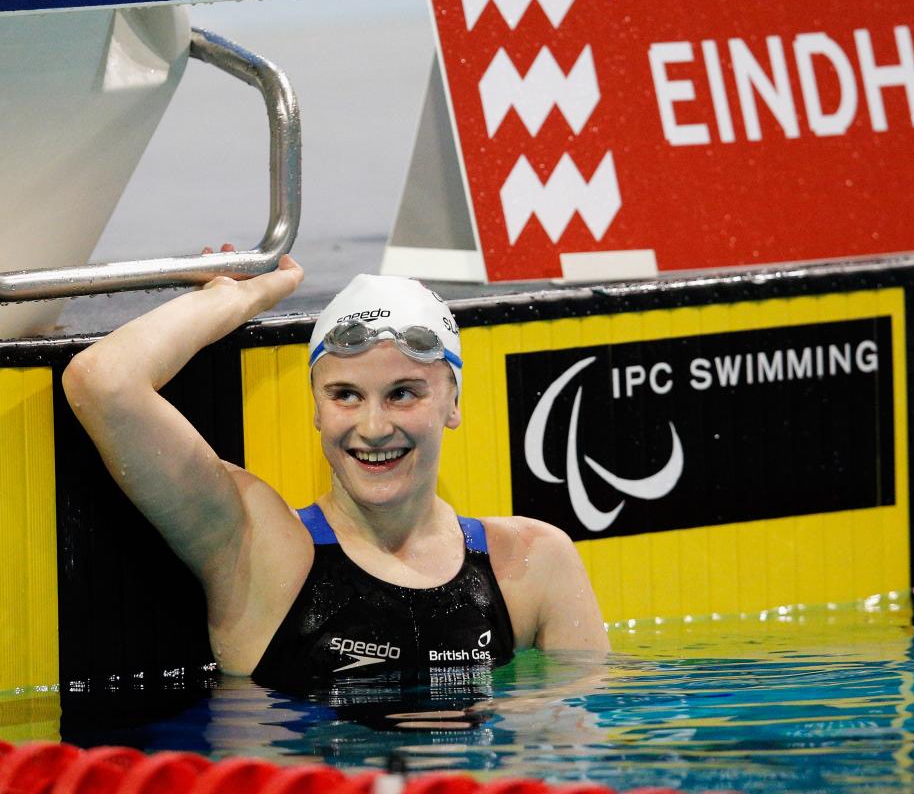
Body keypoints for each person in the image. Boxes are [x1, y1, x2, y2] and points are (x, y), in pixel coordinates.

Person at [62, 253, 609, 690]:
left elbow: (575, 754)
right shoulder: (260, 549)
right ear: (317, 410)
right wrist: (240, 293)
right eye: (346, 395)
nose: (373, 428)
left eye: (403, 394)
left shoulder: (536, 563)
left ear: (453, 402)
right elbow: (105, 383)